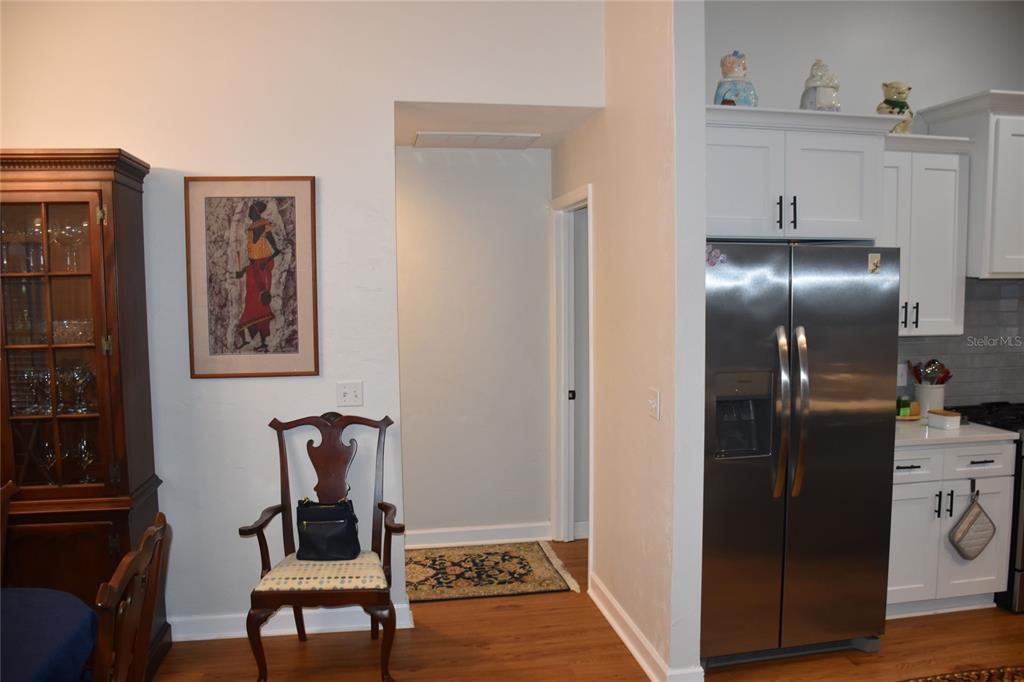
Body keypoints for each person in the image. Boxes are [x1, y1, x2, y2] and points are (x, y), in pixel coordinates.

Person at [235, 200, 282, 351]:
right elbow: (251, 256)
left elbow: (277, 251)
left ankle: (264, 340)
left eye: (251, 210)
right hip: (253, 270)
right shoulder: (250, 230)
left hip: (263, 269)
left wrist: (265, 261)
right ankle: (253, 338)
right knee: (250, 303)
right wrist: (243, 270)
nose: (249, 213)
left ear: (256, 212)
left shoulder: (265, 227)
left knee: (261, 303)